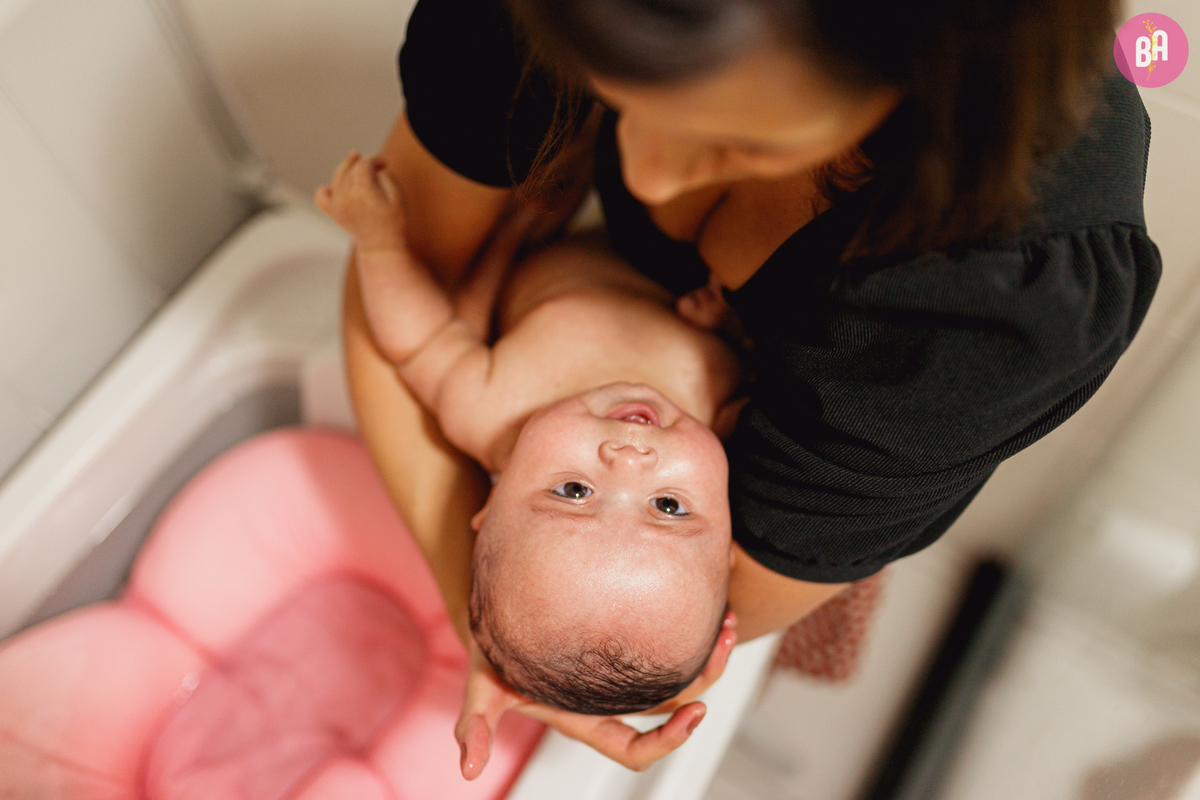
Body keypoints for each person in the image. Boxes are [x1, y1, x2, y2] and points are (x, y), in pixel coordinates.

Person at [343, 0, 1161, 779]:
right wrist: (490, 615)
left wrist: (520, 632)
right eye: (620, 95)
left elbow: (720, 602)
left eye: (738, 141)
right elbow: (409, 285)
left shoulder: (992, 295)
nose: (643, 175)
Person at [317, 151, 740, 716]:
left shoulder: (490, 409)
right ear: (731, 544)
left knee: (470, 301)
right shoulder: (723, 413)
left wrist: (379, 243)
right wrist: (731, 328)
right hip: (656, 239)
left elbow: (418, 339)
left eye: (574, 491)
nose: (629, 458)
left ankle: (516, 228)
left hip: (550, 244)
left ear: (490, 507)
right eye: (667, 504)